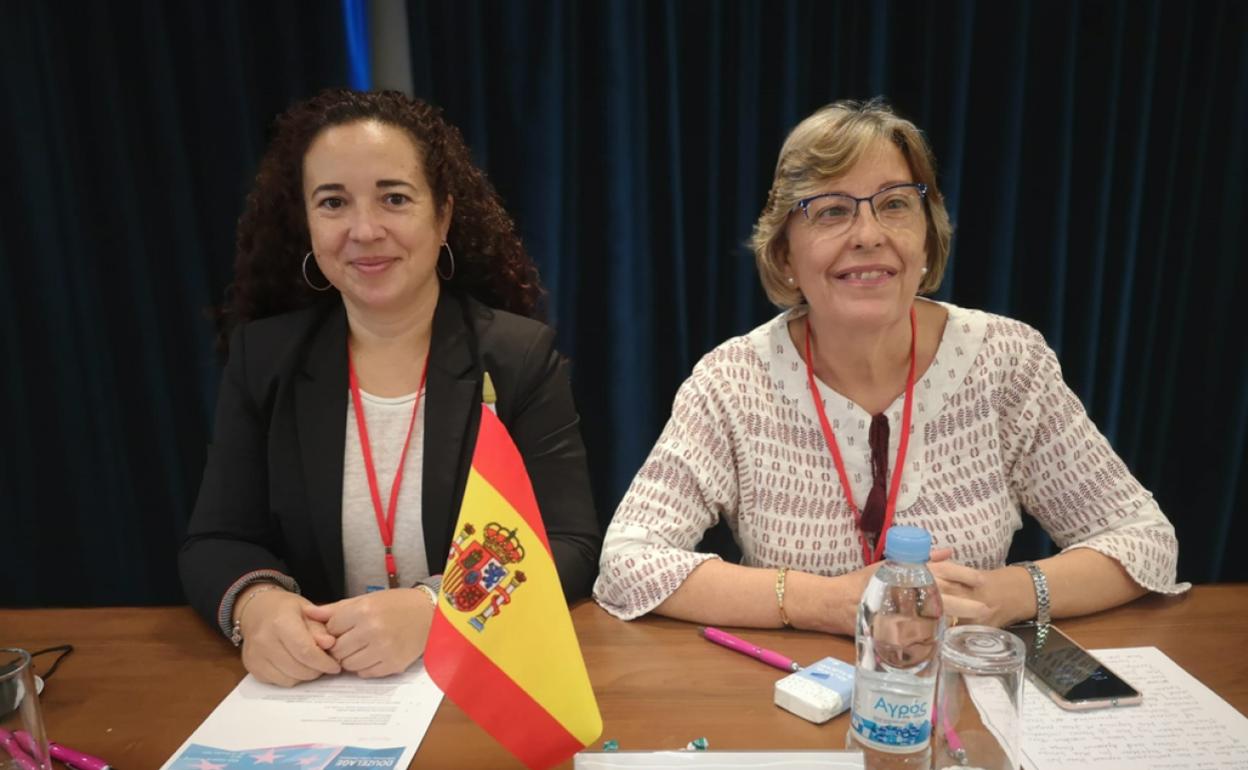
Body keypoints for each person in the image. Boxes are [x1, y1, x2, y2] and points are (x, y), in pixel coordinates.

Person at [593, 98, 1187, 635]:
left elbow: (1143, 541)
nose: (869, 234)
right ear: (785, 254)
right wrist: (825, 602)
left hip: (962, 694)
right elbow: (628, 561)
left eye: (895, 204)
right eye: (830, 211)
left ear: (927, 239)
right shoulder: (731, 381)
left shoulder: (1008, 362)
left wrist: (1003, 594)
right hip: (797, 701)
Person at [181, 89, 600, 687]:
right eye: (333, 203)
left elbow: (569, 545)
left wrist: (441, 607)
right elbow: (216, 539)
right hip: (320, 688)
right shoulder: (265, 358)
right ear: (307, 221)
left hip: (471, 686)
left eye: (394, 198)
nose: (364, 229)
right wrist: (257, 605)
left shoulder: (516, 357)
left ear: (444, 214)